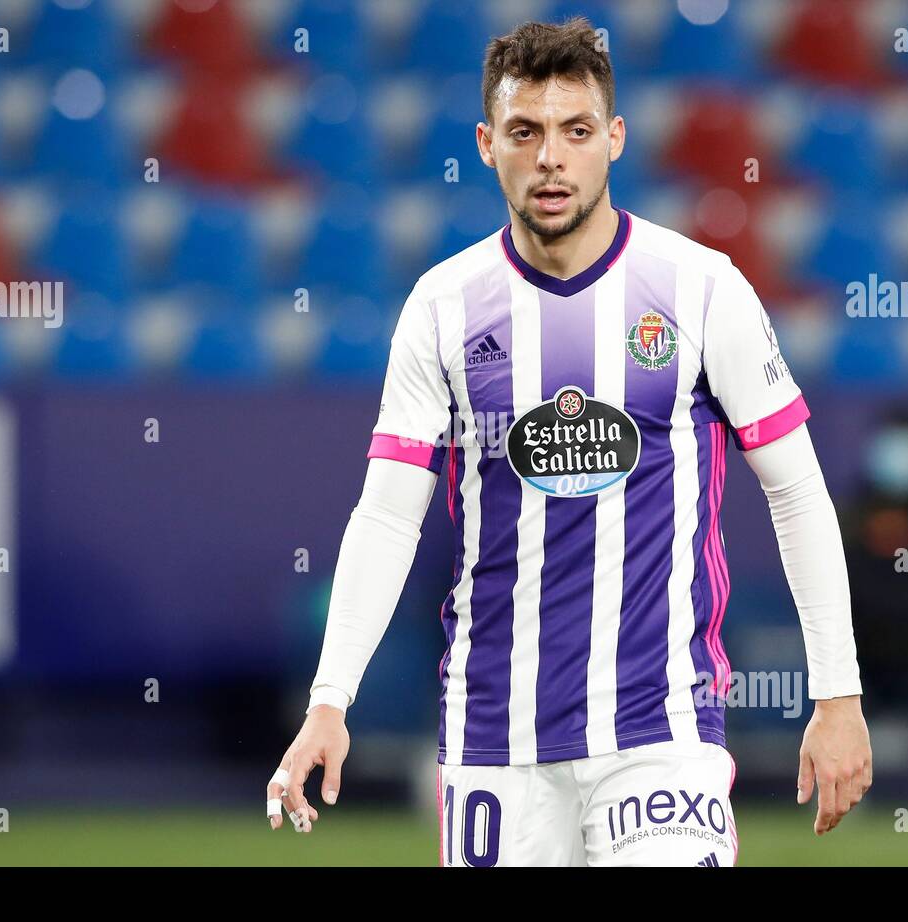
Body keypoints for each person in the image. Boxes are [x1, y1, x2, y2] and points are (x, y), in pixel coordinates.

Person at [268, 16, 871, 866]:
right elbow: (388, 517)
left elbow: (798, 491)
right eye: (526, 132)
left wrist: (837, 694)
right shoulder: (444, 308)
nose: (551, 156)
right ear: (486, 144)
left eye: (576, 131)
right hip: (493, 737)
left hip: (660, 730)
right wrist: (330, 701)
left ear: (614, 139)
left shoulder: (700, 290)